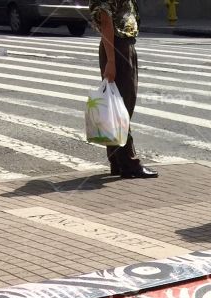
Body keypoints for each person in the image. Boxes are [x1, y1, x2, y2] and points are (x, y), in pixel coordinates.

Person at [89, 0, 156, 179]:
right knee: (122, 107)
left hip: (121, 45)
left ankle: (117, 161)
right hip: (117, 47)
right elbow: (105, 20)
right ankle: (129, 163)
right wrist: (111, 61)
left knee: (117, 106)